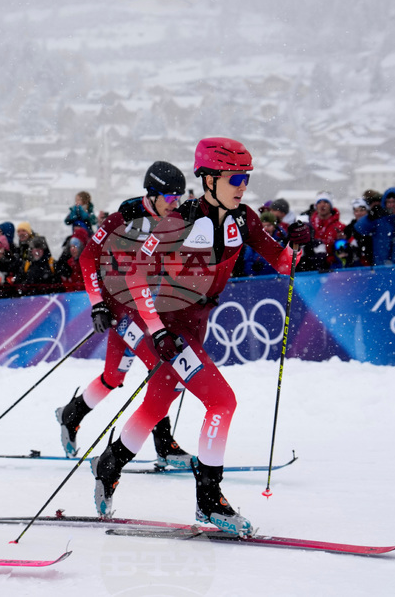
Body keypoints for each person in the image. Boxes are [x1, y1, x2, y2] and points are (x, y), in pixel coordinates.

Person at [90, 138, 310, 537]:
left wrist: (297, 245)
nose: (242, 185)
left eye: (246, 178)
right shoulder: (181, 220)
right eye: (234, 178)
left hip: (196, 326)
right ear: (208, 179)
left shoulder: (244, 219)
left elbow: (283, 263)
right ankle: (209, 500)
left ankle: (110, 463)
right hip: (169, 327)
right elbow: (136, 275)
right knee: (222, 401)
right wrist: (156, 332)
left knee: (157, 404)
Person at [56, 161, 193, 469]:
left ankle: (71, 414)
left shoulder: (175, 222)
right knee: (162, 367)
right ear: (153, 194)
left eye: (179, 198)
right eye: (171, 198)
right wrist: (97, 304)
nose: (176, 205)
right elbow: (88, 257)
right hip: (119, 307)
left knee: (114, 376)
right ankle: (164, 444)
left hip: (146, 306)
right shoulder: (124, 217)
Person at [354, 187, 395, 266]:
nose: (392, 205)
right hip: (381, 269)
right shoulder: (379, 221)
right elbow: (359, 228)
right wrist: (369, 218)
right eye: (388, 202)